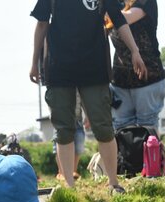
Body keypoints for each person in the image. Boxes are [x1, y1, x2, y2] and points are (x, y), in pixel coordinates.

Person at [30, 0, 147, 191]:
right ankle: (69, 186)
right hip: (59, 68)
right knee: (63, 130)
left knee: (103, 127)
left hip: (94, 69)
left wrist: (135, 51)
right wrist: (34, 61)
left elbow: (118, 18)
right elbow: (42, 23)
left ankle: (113, 183)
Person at [109, 0, 165, 132]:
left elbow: (123, 18)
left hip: (148, 78)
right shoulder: (114, 4)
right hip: (120, 81)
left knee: (147, 129)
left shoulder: (144, 2)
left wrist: (104, 10)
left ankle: (152, 153)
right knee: (121, 130)